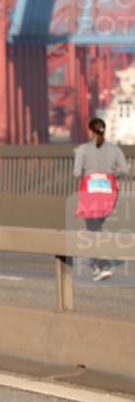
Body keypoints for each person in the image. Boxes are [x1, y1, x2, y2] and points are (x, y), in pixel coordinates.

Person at [73, 117, 130, 282]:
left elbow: (76, 173)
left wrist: (88, 171)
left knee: (93, 229)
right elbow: (124, 170)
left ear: (91, 131)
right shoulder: (115, 149)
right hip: (108, 192)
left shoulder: (83, 149)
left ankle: (103, 265)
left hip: (90, 192)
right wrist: (110, 175)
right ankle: (99, 264)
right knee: (97, 226)